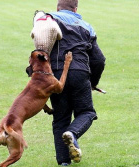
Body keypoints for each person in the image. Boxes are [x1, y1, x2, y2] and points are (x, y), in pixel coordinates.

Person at [47, 0, 106, 166]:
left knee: (60, 118)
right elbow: (99, 60)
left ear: (58, 7)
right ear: (76, 8)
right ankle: (72, 133)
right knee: (87, 112)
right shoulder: (86, 26)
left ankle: (64, 163)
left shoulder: (49, 20)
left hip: (56, 74)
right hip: (80, 73)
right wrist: (92, 82)